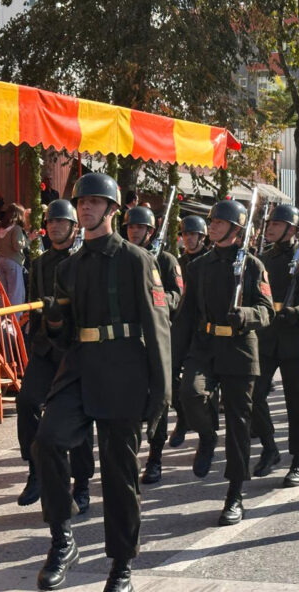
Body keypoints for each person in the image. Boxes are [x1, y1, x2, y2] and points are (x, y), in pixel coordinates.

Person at [32, 173, 170, 592]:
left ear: (112, 209)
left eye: (94, 201)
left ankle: (122, 565)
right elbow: (63, 336)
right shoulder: (69, 267)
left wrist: (161, 392)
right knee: (47, 440)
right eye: (81, 202)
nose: (86, 207)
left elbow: (158, 327)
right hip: (80, 366)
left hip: (124, 370)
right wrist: (54, 320)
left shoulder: (136, 260)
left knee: (119, 474)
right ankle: (62, 539)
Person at [173, 198, 274, 526]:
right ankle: (206, 436)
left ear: (236, 229)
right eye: (212, 221)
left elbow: (266, 311)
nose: (212, 226)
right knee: (190, 393)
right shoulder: (198, 267)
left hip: (239, 349)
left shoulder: (253, 266)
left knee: (238, 424)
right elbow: (186, 316)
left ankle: (235, 493)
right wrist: (171, 361)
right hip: (205, 346)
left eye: (218, 222)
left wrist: (245, 315)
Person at [16, 200, 95, 512]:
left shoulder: (83, 261)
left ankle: (82, 483)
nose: (54, 227)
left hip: (74, 350)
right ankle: (36, 469)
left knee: (80, 416)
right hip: (45, 347)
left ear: (74, 227)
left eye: (61, 222)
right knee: (26, 402)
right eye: (50, 222)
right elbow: (34, 308)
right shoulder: (39, 263)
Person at [250, 204, 299, 487]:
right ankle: (270, 447)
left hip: (298, 338)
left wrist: (298, 312)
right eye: (269, 223)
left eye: (276, 224)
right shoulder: (263, 259)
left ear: (292, 229)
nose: (270, 228)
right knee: (253, 393)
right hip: (268, 337)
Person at [123, 205, 184, 485]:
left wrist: (155, 299)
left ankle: (155, 459)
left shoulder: (166, 259)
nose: (134, 232)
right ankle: (129, 457)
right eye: (131, 227)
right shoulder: (124, 257)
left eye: (140, 228)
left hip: (158, 336)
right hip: (131, 339)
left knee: (159, 399)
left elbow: (177, 295)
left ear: (150, 231)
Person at [169, 214, 209, 448]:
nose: (188, 238)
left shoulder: (209, 261)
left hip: (203, 330)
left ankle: (205, 430)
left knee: (198, 387)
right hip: (180, 327)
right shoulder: (177, 263)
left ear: (202, 237)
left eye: (193, 234)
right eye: (185, 234)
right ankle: (182, 418)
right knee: (170, 376)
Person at [0, 203, 31, 305]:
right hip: (13, 262)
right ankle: (15, 315)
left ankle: (2, 314)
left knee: (2, 293)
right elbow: (17, 246)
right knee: (16, 294)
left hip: (0, 262)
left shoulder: (1, 229)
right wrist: (29, 239)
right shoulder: (16, 228)